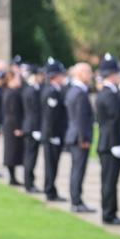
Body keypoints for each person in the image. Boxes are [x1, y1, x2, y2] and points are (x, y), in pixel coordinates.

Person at [96, 54, 120, 225]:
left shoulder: (109, 92)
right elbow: (112, 121)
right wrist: (116, 143)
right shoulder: (108, 94)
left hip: (108, 143)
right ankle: (108, 214)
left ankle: (111, 212)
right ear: (112, 75)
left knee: (111, 182)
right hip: (110, 144)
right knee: (109, 182)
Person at [65, 62, 96, 213]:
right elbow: (81, 118)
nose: (91, 76)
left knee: (77, 170)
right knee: (78, 170)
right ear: (81, 74)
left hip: (75, 136)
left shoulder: (75, 90)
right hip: (79, 138)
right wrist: (84, 139)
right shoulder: (79, 92)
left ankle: (77, 199)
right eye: (89, 72)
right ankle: (76, 201)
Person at [41, 58, 68, 202]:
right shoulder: (51, 92)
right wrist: (52, 135)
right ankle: (50, 190)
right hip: (52, 134)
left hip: (55, 133)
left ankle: (51, 188)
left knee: (54, 164)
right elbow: (50, 116)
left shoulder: (56, 90)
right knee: (51, 165)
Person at [21, 64, 44, 193]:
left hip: (31, 126)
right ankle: (29, 183)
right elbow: (34, 111)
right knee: (30, 156)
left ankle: (29, 182)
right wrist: (36, 128)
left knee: (31, 156)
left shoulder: (32, 89)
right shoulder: (31, 90)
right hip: (32, 127)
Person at [2, 70, 25, 186]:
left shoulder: (8, 91)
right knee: (11, 152)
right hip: (12, 125)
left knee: (12, 151)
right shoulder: (13, 93)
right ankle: (12, 177)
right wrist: (18, 127)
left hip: (9, 124)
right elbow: (14, 112)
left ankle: (13, 177)